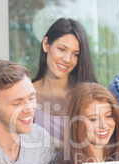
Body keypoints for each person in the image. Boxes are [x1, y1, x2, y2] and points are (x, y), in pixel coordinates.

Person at [32, 18, 98, 147]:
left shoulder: (88, 94)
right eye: (62, 49)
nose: (67, 59)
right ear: (46, 44)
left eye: (76, 54)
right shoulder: (26, 94)